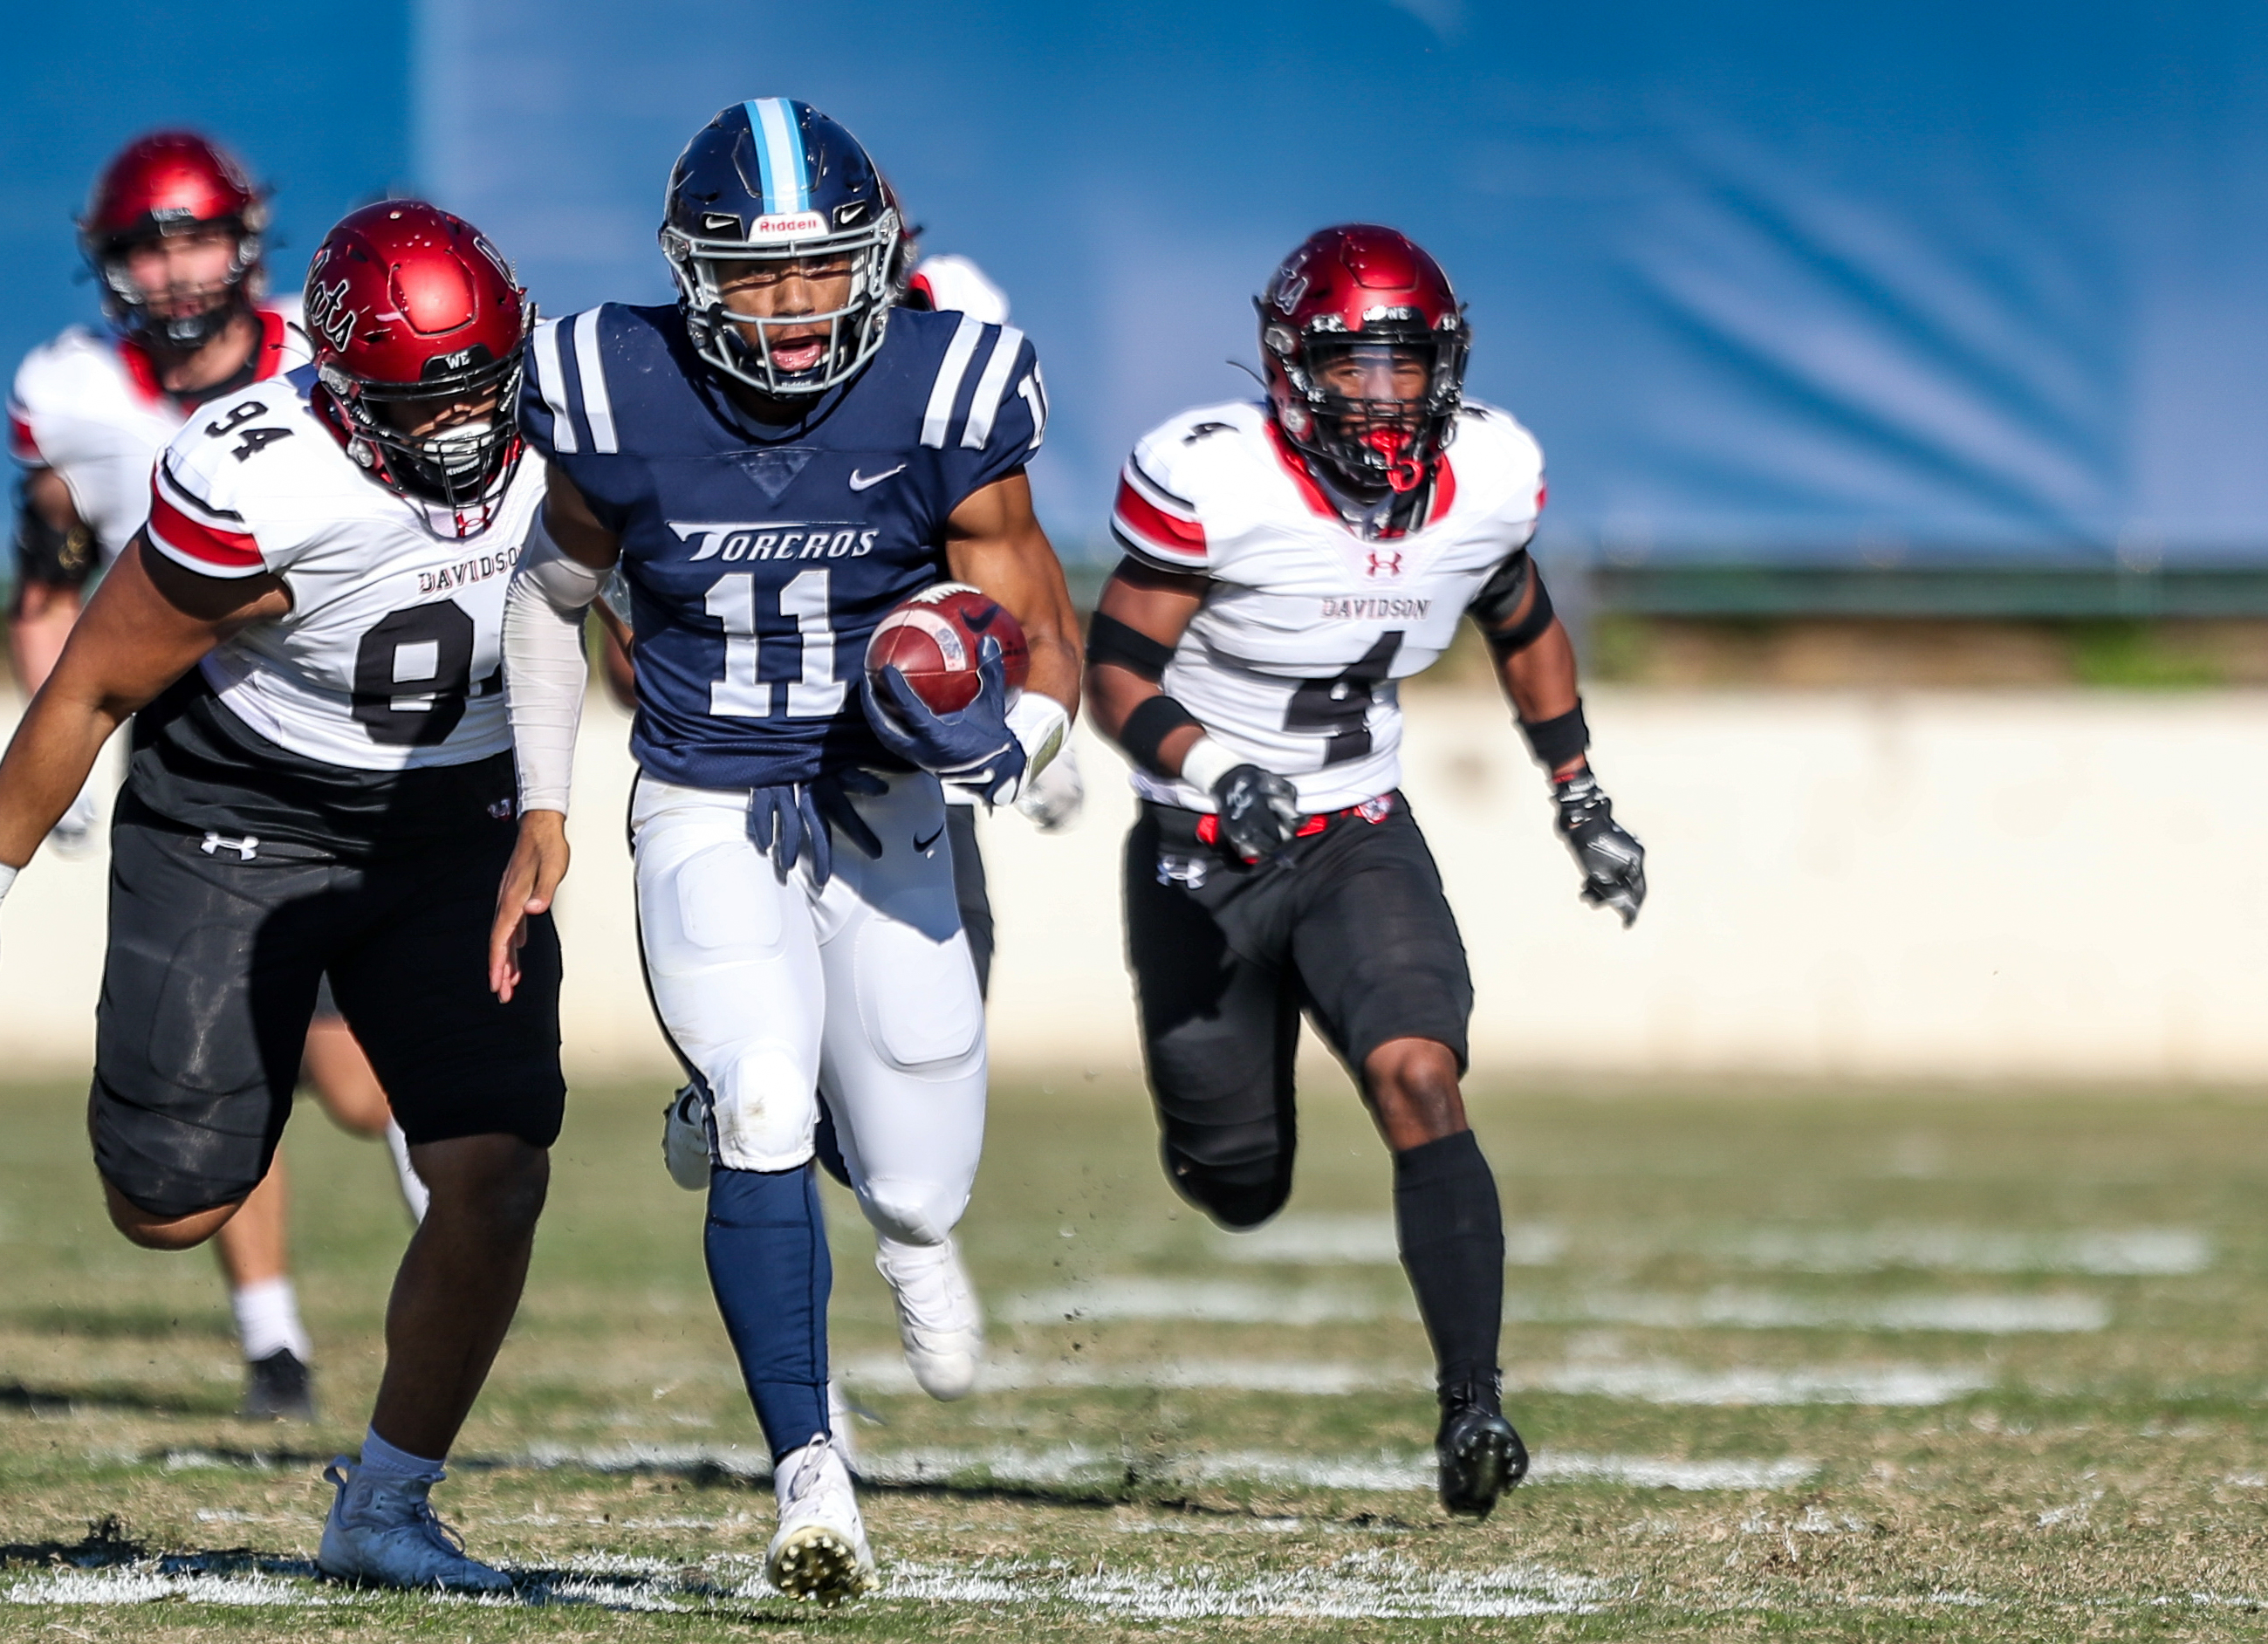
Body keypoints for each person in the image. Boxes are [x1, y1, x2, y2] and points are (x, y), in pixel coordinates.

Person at [0, 201, 559, 1593]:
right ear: (340, 384)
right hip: (241, 812)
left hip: (452, 821)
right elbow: (91, 683)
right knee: (167, 1205)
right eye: (418, 396)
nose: (458, 426)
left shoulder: (577, 414)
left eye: (477, 387)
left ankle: (386, 1503)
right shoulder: (258, 474)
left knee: (497, 1169)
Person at [491, 99, 1080, 1605]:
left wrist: (1020, 734)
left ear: (879, 259)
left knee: (917, 1189)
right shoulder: (612, 385)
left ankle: (890, 1222)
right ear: (690, 273)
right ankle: (812, 1475)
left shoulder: (948, 383)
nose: (794, 303)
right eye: (755, 274)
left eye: (822, 266)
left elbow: (1031, 610)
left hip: (883, 806)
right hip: (706, 793)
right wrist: (545, 805)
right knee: (766, 1094)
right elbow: (549, 596)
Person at [1086, 224, 1648, 1521]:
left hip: (1355, 835)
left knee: (1418, 1074)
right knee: (1236, 1181)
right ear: (1292, 368)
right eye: (1352, 367)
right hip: (1205, 849)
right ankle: (1245, 1086)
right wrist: (1216, 767)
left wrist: (1580, 795)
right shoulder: (1218, 479)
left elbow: (1523, 623)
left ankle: (1473, 1404)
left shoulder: (1489, 477)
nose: (1384, 397)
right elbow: (1115, 670)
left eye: (1407, 365)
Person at [3, 130, 423, 1424]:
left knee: (359, 1083)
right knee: (223, 1061)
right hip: (196, 758)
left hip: (344, 730)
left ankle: (458, 1241)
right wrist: (62, 759)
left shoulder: (327, 353)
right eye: (149, 246)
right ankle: (272, 1340)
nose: (176, 269)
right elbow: (48, 595)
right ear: (108, 263)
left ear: (246, 243)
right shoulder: (75, 397)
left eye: (196, 239)